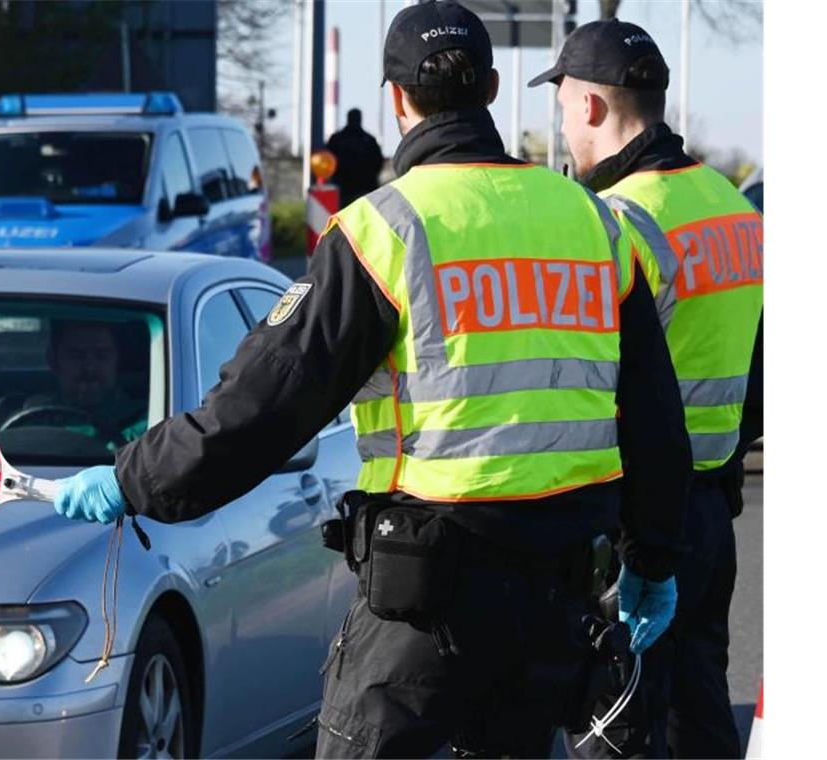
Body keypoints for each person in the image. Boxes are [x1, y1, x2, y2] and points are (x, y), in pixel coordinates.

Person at [53, 3, 691, 756]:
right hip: (561, 603)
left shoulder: (384, 230)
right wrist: (654, 558)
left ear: (397, 100)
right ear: (490, 86)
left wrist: (135, 478)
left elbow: (263, 406)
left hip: (431, 606)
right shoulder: (594, 223)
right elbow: (653, 415)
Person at [528, 18, 763, 758]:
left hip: (634, 525)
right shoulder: (733, 206)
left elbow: (592, 385)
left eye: (561, 103)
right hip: (711, 513)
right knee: (698, 718)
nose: (561, 123)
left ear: (592, 107)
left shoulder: (619, 222)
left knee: (615, 729)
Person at [0, 320, 147, 450]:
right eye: (77, 355)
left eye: (101, 355)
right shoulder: (28, 419)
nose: (90, 366)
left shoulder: (146, 420)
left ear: (118, 359)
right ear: (53, 360)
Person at [326, 108, 385, 208]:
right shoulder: (369, 140)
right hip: (364, 187)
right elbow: (377, 162)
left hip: (342, 186)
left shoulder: (337, 139)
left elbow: (329, 160)